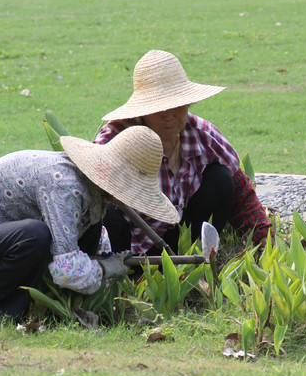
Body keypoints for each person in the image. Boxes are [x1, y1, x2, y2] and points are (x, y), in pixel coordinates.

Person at [0, 125, 180, 322]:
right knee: (34, 235)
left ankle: (62, 312)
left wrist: (101, 258)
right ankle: (0, 316)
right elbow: (67, 269)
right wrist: (104, 269)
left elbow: (77, 243)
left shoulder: (88, 189)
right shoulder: (66, 186)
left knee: (93, 225)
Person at [95, 49, 274, 256]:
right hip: (127, 244)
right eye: (158, 107)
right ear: (143, 110)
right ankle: (125, 276)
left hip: (177, 237)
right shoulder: (117, 136)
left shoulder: (203, 134)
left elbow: (241, 189)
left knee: (222, 180)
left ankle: (191, 260)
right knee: (106, 216)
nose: (168, 115)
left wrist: (263, 238)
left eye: (176, 105)